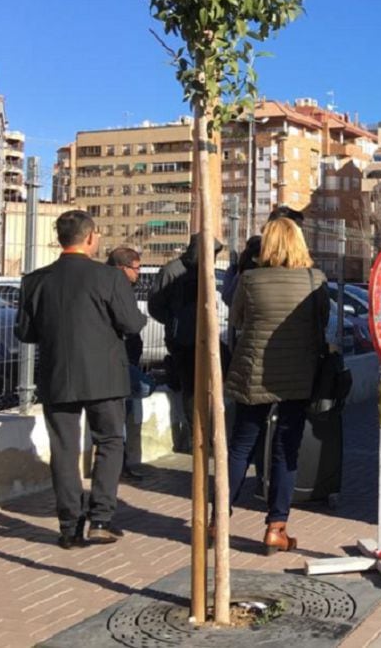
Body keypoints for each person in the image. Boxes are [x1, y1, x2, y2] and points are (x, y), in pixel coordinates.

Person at [15, 210, 147, 549]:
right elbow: (132, 324)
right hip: (104, 376)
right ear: (89, 238)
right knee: (110, 442)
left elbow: (25, 332)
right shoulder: (109, 278)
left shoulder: (35, 280)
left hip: (57, 376)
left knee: (64, 449)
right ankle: (101, 518)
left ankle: (69, 526)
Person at [225, 217, 329, 554]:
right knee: (287, 450)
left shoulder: (250, 279)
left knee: (241, 446)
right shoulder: (315, 280)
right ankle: (276, 527)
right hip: (298, 375)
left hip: (252, 372)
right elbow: (321, 324)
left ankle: (217, 519)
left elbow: (237, 320)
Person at [147, 233, 225, 451]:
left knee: (208, 388)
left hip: (205, 338)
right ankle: (197, 438)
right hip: (182, 340)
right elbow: (156, 305)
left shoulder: (205, 270)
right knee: (191, 389)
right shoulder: (172, 270)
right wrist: (174, 321)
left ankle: (208, 436)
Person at [107, 246, 148, 481]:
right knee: (139, 391)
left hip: (127, 358)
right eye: (136, 268)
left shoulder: (124, 287)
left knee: (128, 408)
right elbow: (130, 322)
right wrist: (139, 319)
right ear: (123, 268)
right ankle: (119, 463)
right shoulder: (116, 288)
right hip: (118, 361)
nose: (139, 273)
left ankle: (122, 461)